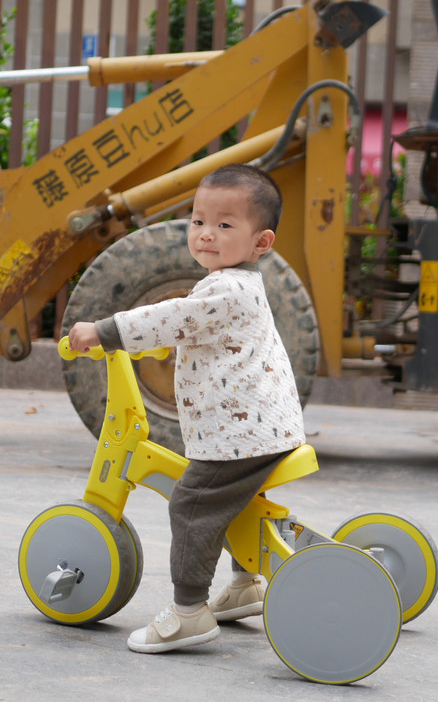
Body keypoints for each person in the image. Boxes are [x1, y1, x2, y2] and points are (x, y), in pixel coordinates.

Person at [67, 164, 305, 654]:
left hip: (244, 436)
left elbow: (174, 316)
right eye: (198, 221)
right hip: (264, 430)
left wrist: (105, 331)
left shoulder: (227, 289)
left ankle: (189, 612)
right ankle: (245, 585)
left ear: (261, 242)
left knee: (193, 505)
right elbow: (195, 329)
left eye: (224, 224)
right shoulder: (235, 285)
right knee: (237, 506)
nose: (206, 235)